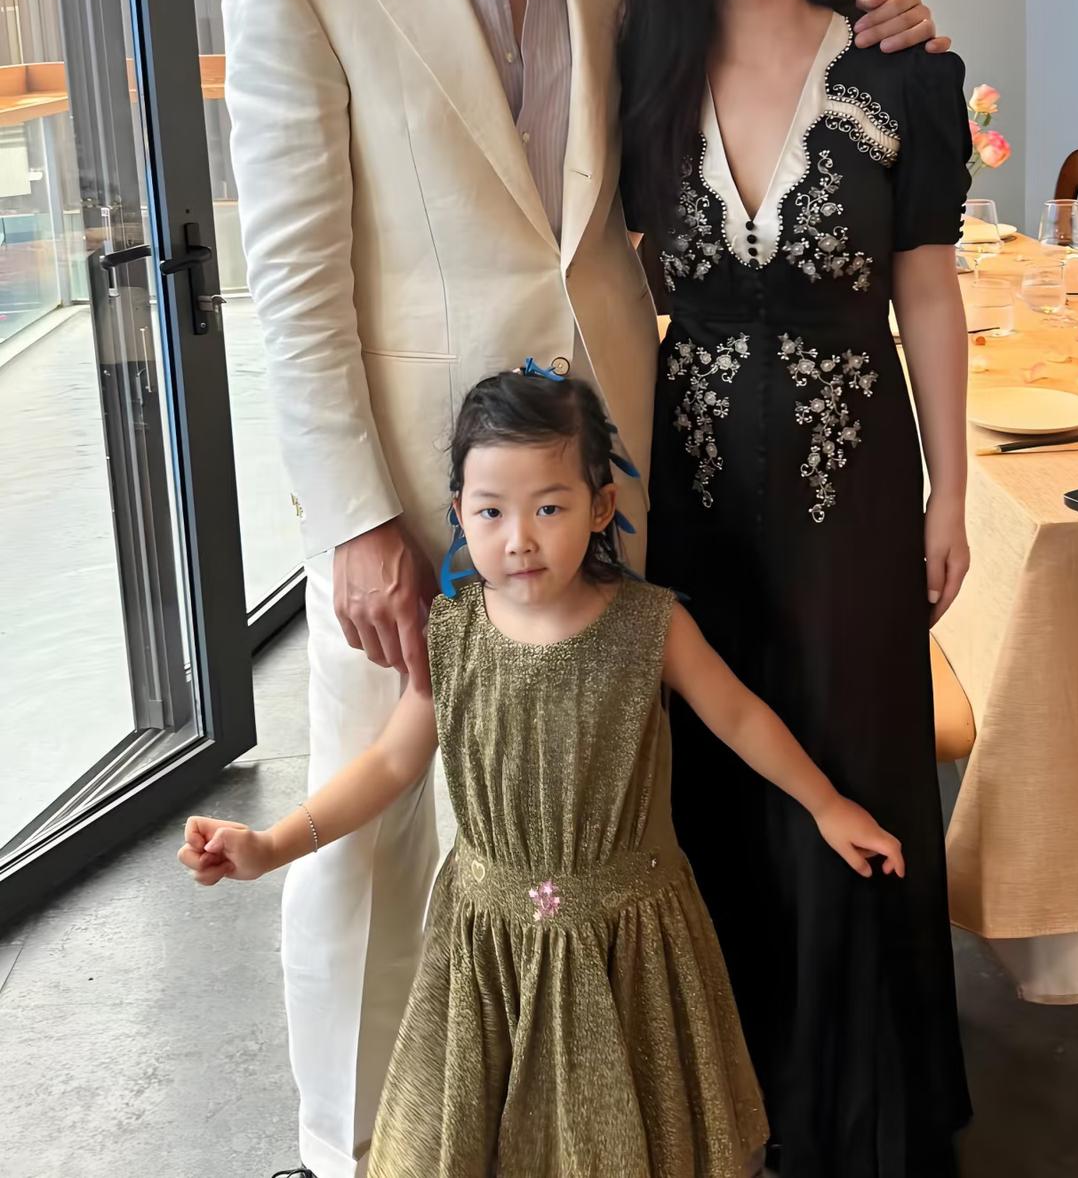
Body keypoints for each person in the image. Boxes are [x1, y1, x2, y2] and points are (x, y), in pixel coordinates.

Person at [222, 0, 948, 1177]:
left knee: (606, 820)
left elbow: (770, 55)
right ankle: (355, 1145)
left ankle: (598, 1120)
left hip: (618, 469)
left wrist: (886, 19)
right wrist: (352, 517)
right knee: (385, 835)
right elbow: (293, 281)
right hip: (425, 492)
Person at [178, 370, 907, 1178]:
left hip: (631, 948)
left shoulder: (652, 626)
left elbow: (737, 716)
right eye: (492, 512)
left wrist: (827, 805)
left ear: (600, 506)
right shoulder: (451, 635)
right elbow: (389, 762)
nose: (519, 539)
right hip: (485, 956)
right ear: (460, 511)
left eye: (549, 508)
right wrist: (271, 845)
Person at [621, 0, 974, 1177]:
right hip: (692, 488)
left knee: (850, 759)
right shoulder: (640, 66)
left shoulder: (903, 69)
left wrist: (953, 487)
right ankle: (735, 1102)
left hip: (854, 485)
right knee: (715, 772)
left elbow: (926, 288)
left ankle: (862, 1124)